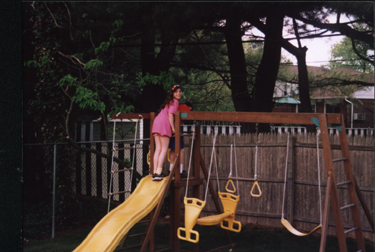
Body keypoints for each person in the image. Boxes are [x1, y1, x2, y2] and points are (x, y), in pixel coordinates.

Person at [151, 85, 182, 181]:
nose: (179, 94)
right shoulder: (175, 101)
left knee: (158, 149)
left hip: (156, 122)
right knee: (164, 149)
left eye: (180, 92)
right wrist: (173, 128)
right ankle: (158, 172)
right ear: (172, 93)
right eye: (176, 92)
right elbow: (170, 115)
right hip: (164, 123)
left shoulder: (168, 102)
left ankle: (155, 172)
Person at [168, 102, 193, 178]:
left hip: (171, 127)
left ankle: (171, 170)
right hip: (176, 127)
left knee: (173, 149)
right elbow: (187, 116)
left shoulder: (176, 107)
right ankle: (180, 171)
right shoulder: (185, 108)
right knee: (181, 149)